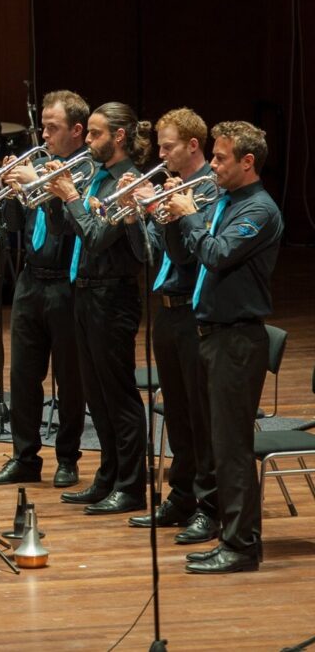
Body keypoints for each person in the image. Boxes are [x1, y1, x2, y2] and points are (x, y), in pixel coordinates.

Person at [162, 121, 281, 574]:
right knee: (217, 443)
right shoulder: (227, 202)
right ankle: (229, 537)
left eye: (220, 158)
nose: (211, 165)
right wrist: (175, 218)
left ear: (247, 162)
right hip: (211, 334)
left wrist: (190, 213)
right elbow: (187, 255)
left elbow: (216, 254)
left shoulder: (260, 211)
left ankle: (242, 546)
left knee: (232, 448)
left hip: (238, 340)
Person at [44, 102, 149, 515]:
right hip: (85, 292)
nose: (86, 142)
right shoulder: (97, 178)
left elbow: (95, 237)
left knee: (118, 395)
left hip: (114, 296)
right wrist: (54, 197)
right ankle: (107, 476)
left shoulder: (127, 182)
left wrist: (70, 195)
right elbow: (64, 229)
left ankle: (131, 485)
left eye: (95, 134)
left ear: (119, 137)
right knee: (97, 396)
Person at [0, 91, 89, 489]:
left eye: (53, 128)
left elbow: (66, 224)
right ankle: (24, 457)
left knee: (69, 376)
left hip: (67, 283)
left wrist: (40, 188)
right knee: (23, 376)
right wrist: (11, 189)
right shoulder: (38, 164)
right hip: (30, 280)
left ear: (77, 131)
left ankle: (68, 457)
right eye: (42, 126)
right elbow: (12, 225)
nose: (43, 135)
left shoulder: (86, 170)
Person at [123, 109, 218, 543]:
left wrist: (178, 211)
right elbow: (155, 253)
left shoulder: (211, 192)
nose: (159, 154)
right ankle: (181, 498)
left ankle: (208, 505)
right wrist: (140, 212)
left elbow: (191, 257)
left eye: (168, 147)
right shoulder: (172, 188)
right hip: (165, 311)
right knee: (176, 414)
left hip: (196, 314)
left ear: (192, 146)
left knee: (200, 417)